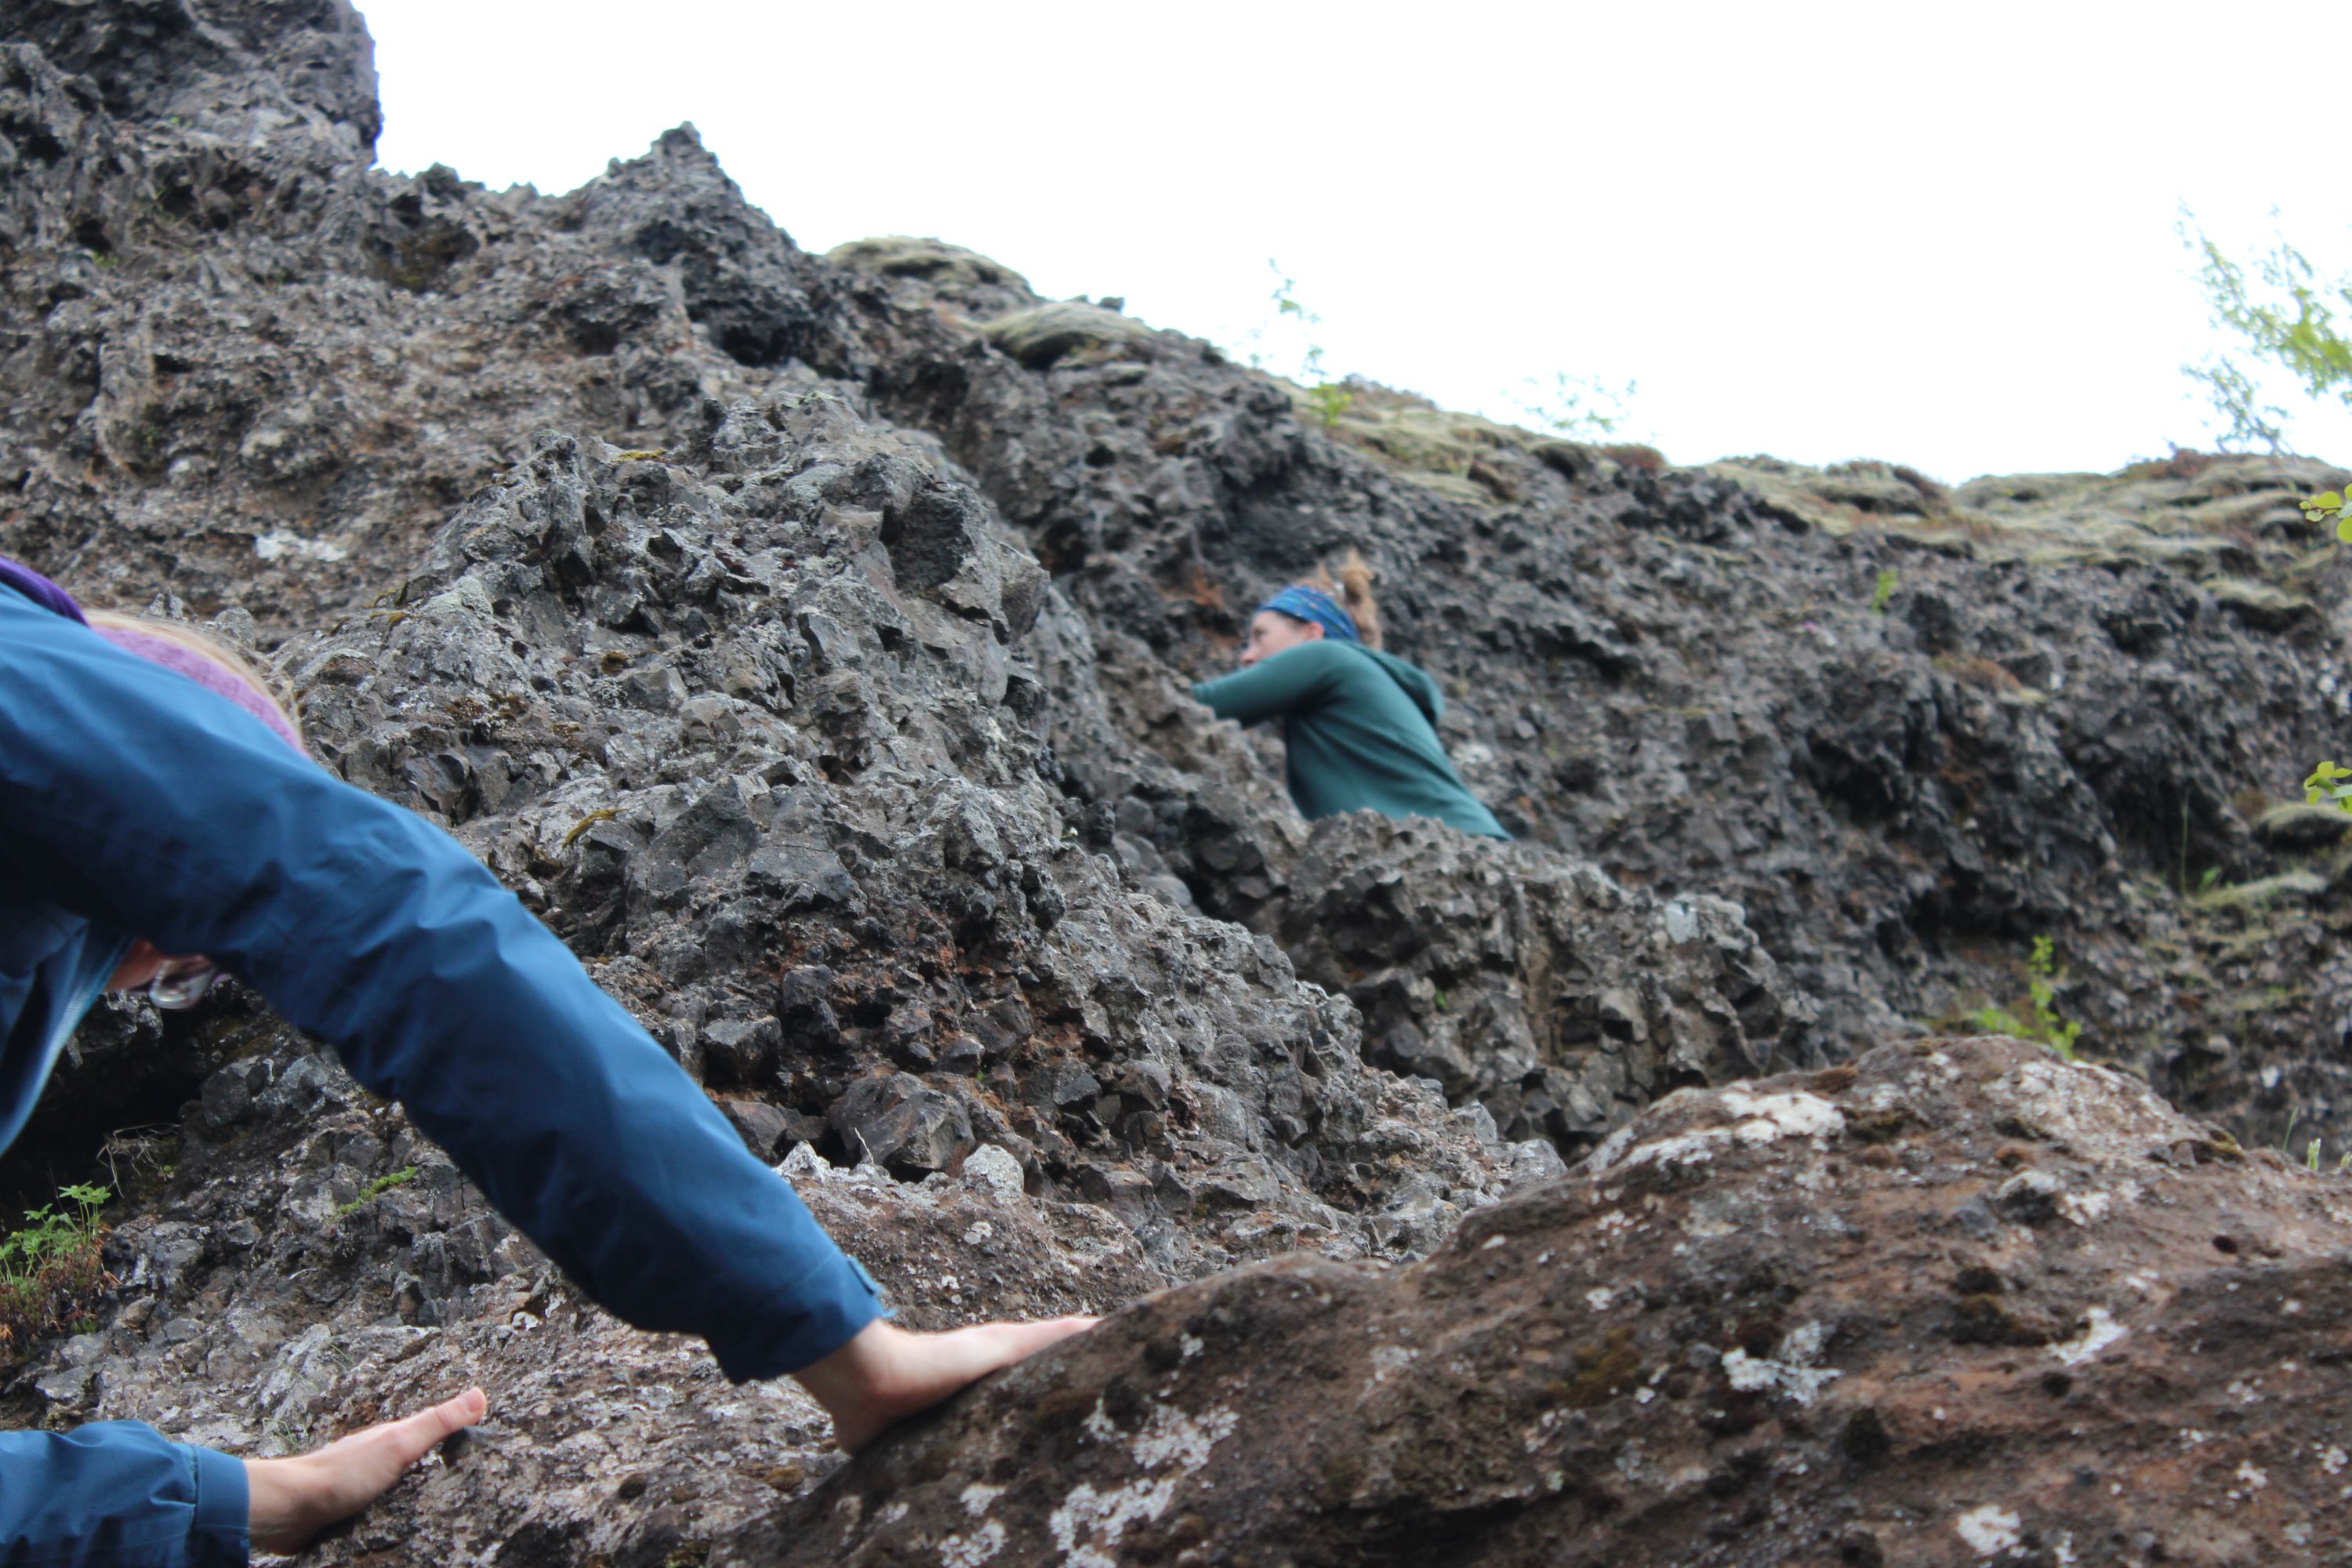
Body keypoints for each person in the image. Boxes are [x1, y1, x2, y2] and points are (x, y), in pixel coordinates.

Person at [0, 557, 1090, 1566]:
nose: (136, 978)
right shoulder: (34, 688)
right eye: (176, 948)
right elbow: (386, 917)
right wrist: (837, 1340)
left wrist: (235, 1498)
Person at [1192, 555, 1508, 840]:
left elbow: (1199, 707)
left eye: (1261, 635)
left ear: (1312, 634)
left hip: (1458, 847)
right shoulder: (1348, 694)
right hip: (1470, 852)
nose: (1247, 656)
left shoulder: (1326, 657)